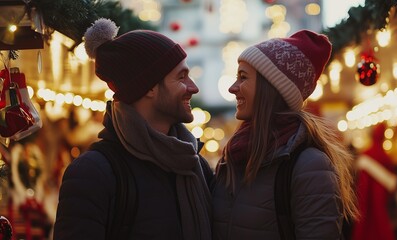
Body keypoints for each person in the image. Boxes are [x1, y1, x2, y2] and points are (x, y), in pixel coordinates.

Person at [53, 18, 213, 240]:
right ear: (149, 87)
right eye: (181, 77)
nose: (193, 87)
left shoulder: (193, 162)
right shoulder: (94, 171)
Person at [212, 30, 359, 239]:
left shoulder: (309, 165)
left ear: (270, 88)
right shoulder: (233, 157)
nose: (232, 88)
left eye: (243, 77)